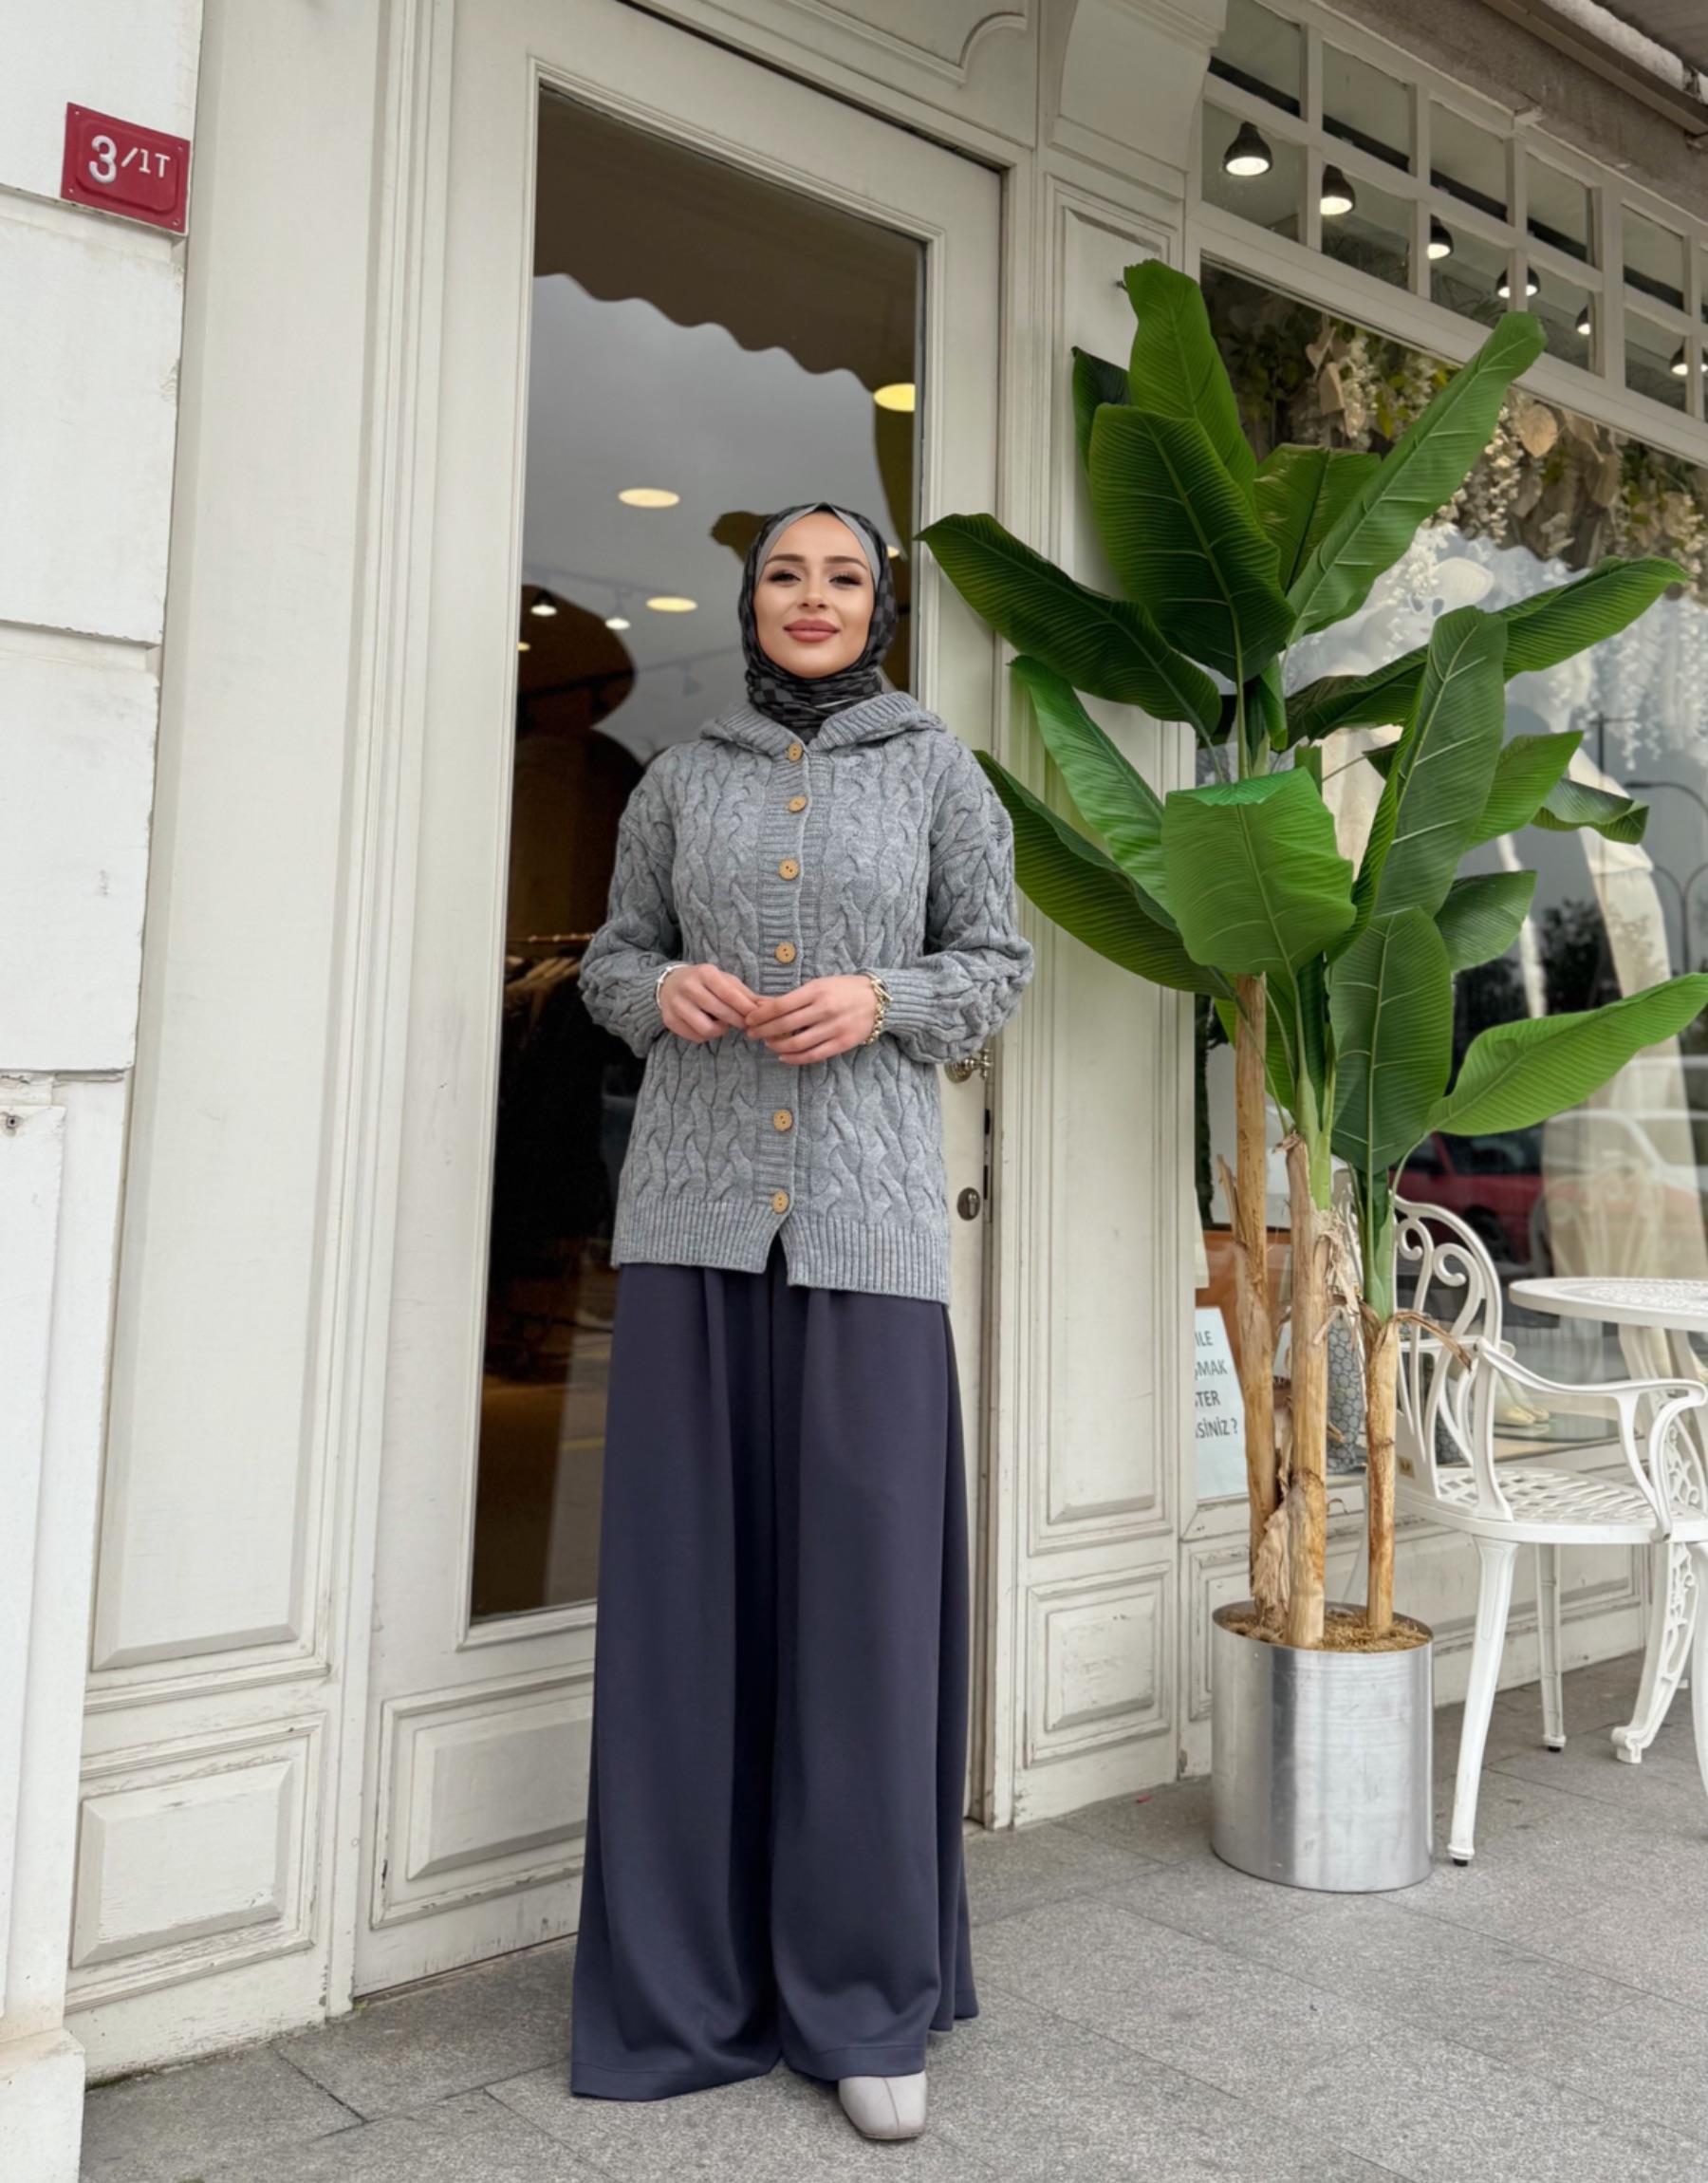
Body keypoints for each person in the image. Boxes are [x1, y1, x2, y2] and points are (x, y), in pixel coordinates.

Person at [568, 498, 1034, 2143]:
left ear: (880, 607)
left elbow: (997, 964)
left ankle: (863, 1997)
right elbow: (610, 959)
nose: (813, 597)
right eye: (786, 575)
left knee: (863, 1619)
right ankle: (686, 1982)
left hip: (869, 1237)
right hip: (692, 1227)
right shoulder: (679, 779)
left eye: (845, 576)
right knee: (688, 1614)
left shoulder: (939, 771)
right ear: (751, 600)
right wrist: (658, 991)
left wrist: (884, 998)